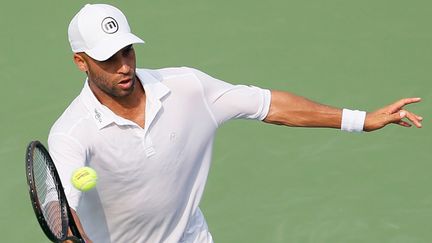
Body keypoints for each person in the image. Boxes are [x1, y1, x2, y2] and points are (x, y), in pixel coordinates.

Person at [48, 3, 423, 243]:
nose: (124, 65)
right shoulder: (72, 131)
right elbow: (59, 204)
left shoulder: (186, 88)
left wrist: (362, 119)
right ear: (81, 62)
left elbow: (269, 104)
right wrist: (70, 237)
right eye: (108, 58)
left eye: (127, 50)